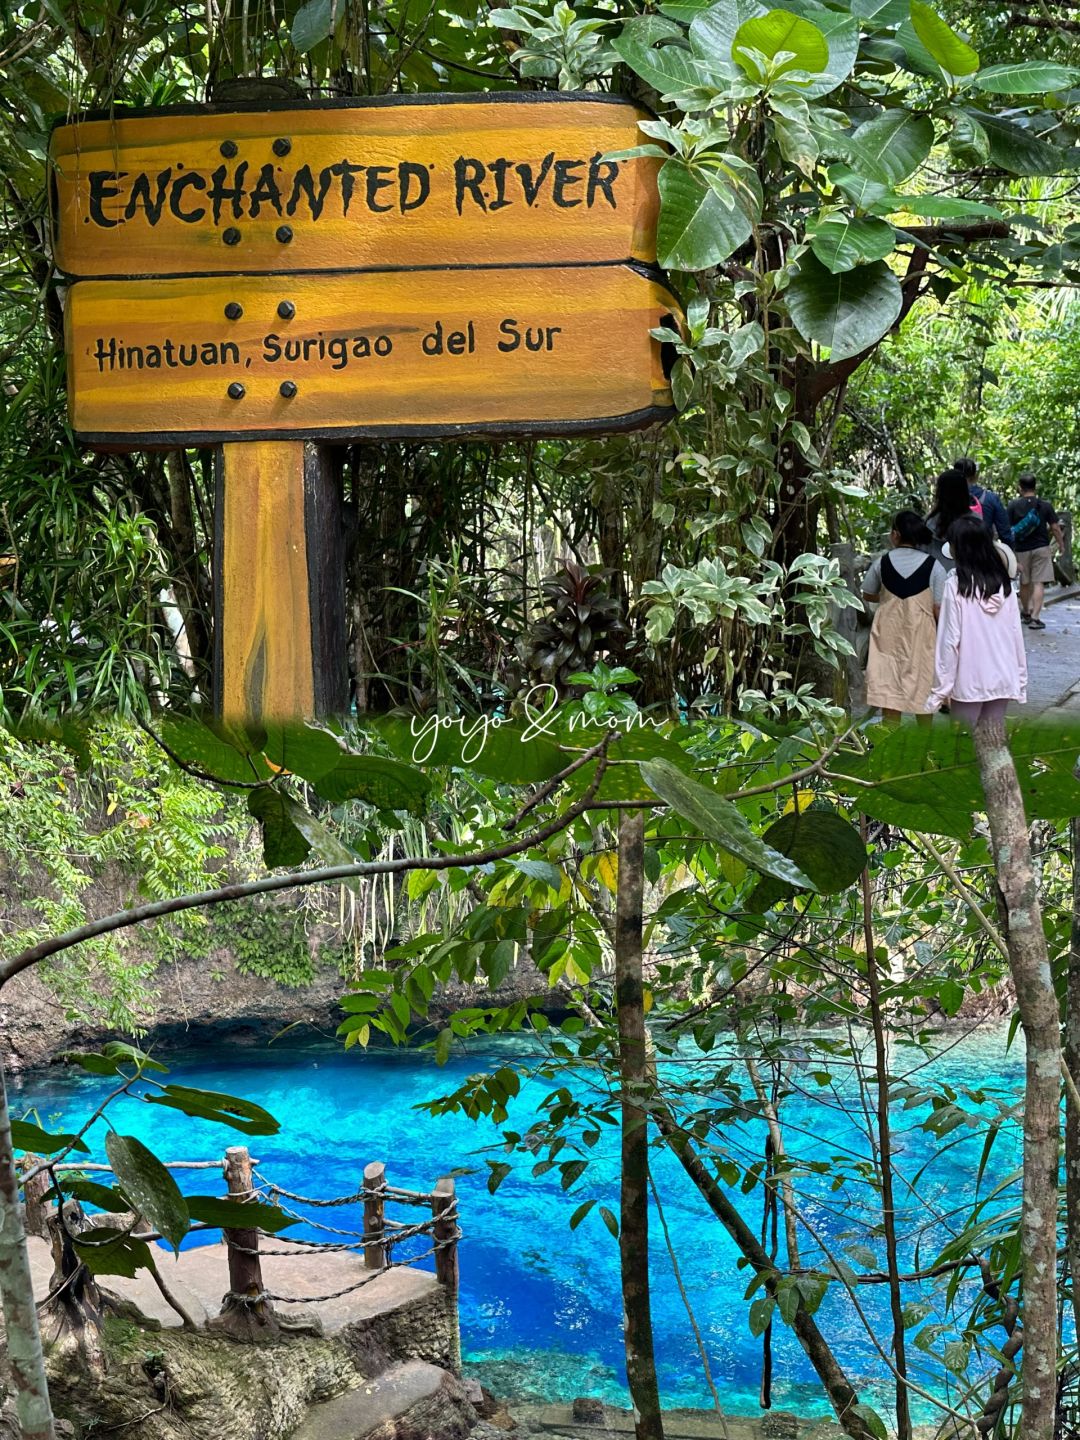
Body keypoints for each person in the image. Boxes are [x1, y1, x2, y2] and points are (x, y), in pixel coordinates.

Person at [926, 513, 1027, 727]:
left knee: (962, 746)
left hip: (969, 680)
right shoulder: (1005, 586)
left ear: (959, 548)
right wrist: (1020, 679)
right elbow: (1016, 636)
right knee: (992, 742)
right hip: (1003, 677)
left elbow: (949, 641)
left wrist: (940, 690)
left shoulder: (955, 586)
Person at [862, 511, 947, 723]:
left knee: (889, 691)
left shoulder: (881, 563)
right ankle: (923, 747)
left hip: (887, 635)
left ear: (895, 535)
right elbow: (939, 606)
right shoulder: (934, 566)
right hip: (921, 635)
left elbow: (868, 593)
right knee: (923, 687)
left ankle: (888, 744)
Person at [1006, 471, 1064, 630]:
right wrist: (1061, 544)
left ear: (1020, 488)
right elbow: (1055, 528)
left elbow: (1007, 530)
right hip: (1041, 547)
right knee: (1039, 582)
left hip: (1021, 549)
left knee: (1024, 582)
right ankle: (1035, 618)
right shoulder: (1045, 505)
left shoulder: (1013, 505)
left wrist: (1008, 550)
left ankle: (1026, 611)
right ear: (1035, 486)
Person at [953, 456, 1013, 546]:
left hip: (955, 551)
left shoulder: (947, 498)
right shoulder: (990, 498)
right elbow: (1004, 532)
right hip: (983, 550)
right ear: (975, 476)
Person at [927, 467, 978, 567]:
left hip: (936, 576)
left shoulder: (928, 522)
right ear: (964, 491)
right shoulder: (976, 521)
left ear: (939, 493)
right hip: (968, 577)